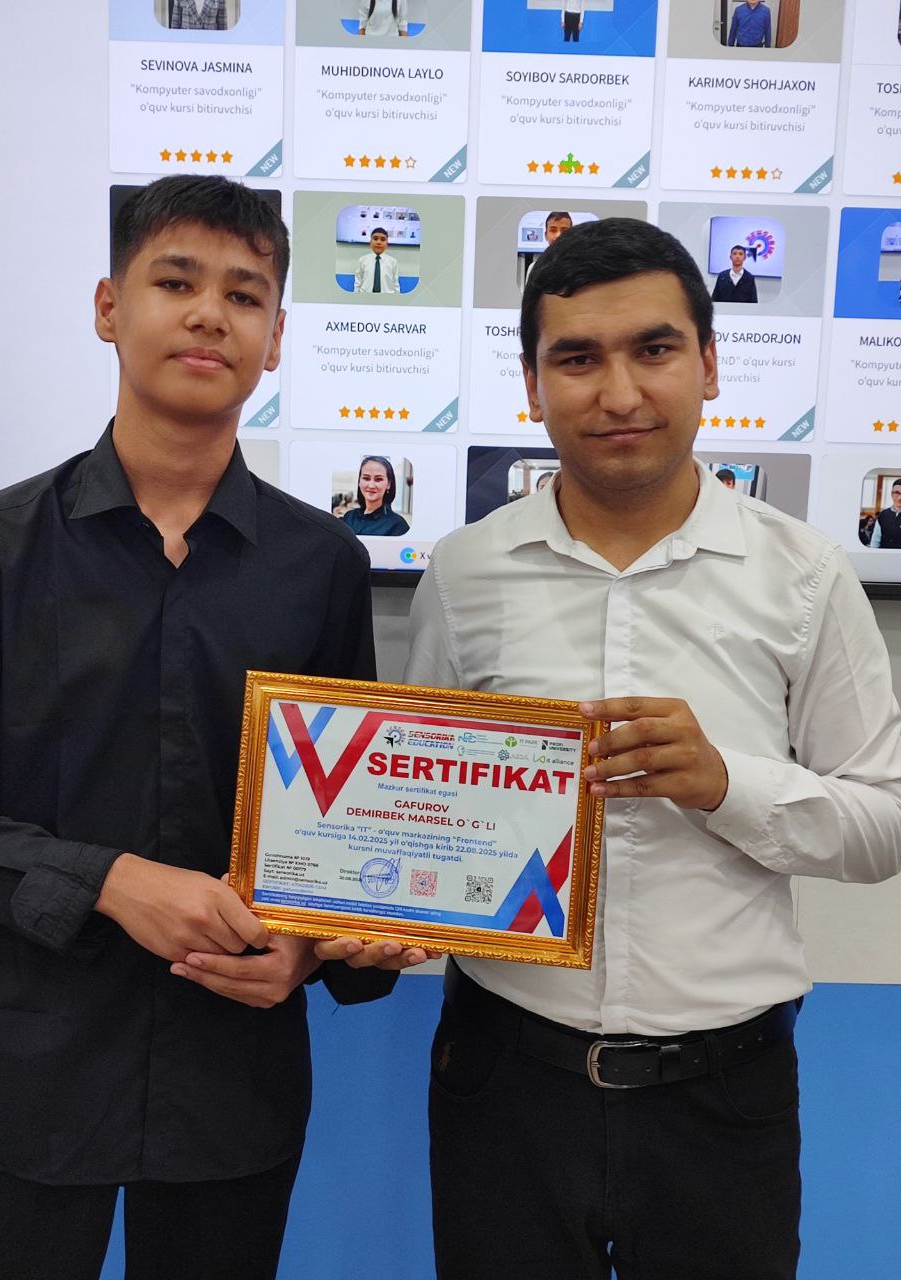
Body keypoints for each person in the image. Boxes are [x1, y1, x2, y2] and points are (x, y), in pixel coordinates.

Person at [385, 217, 901, 1278]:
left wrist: (727, 785)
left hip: (725, 1096)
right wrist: (386, 901)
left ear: (708, 364)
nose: (618, 392)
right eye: (577, 358)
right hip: (502, 1079)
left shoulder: (806, 576)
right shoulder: (465, 571)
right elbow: (412, 797)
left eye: (654, 349)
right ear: (533, 385)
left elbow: (882, 823)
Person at [0, 175, 424, 1280]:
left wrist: (312, 949)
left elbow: (345, 829)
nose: (210, 314)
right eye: (176, 282)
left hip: (230, 1070)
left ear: (276, 338)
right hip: (24, 1064)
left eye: (244, 295)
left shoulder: (322, 567)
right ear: (109, 307)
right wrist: (109, 880)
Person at [340, 456, 410, 536]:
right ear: (359, 482)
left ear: (389, 484)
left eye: (378, 479)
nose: (371, 485)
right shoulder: (349, 517)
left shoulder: (398, 525)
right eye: (366, 478)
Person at [526, 211, 574, 283]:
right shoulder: (534, 268)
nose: (558, 235)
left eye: (564, 230)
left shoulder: (580, 267)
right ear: (546, 235)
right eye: (553, 230)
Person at [354, 227, 401, 295]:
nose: (378, 242)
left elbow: (395, 284)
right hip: (365, 297)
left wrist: (398, 299)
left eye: (383, 239)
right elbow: (358, 283)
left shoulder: (393, 262)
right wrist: (355, 298)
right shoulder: (362, 260)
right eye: (375, 239)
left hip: (387, 298)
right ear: (370, 242)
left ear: (387, 243)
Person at [870, 480, 901, 547]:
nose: (900, 497)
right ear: (891, 494)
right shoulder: (882, 515)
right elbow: (875, 541)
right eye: (897, 493)